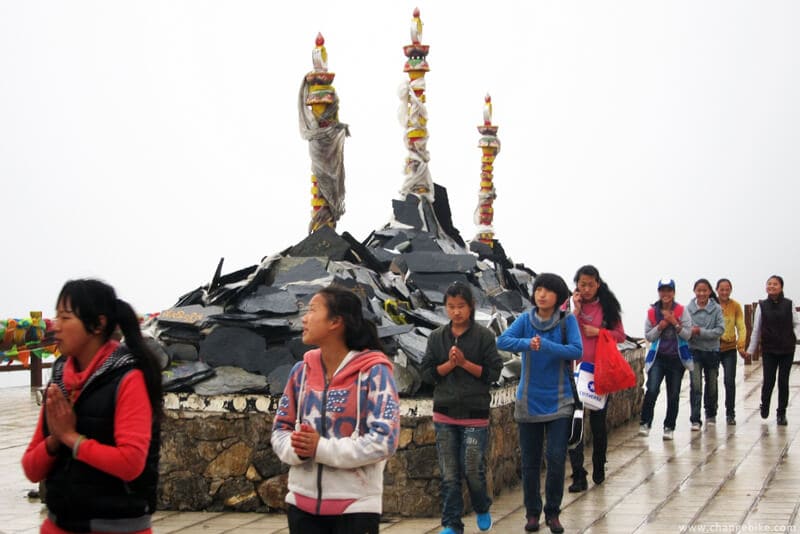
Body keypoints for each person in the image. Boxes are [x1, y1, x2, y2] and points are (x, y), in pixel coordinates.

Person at [21, 279, 163, 534]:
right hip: (59, 525)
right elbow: (31, 468)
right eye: (56, 316)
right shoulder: (60, 381)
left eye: (65, 317)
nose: (56, 326)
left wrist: (71, 438)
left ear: (98, 324)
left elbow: (131, 464)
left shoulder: (128, 378)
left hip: (118, 527)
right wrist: (55, 440)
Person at [271, 286, 400, 534]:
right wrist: (296, 449)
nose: (304, 318)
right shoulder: (301, 373)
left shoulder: (374, 373)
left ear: (335, 322)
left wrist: (320, 448)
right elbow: (280, 430)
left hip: (355, 509)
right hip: (301, 507)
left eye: (312, 310)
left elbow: (385, 441)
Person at [497, 273, 582, 534]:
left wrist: (546, 346)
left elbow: (577, 351)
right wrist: (527, 344)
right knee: (530, 462)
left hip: (560, 400)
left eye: (547, 290)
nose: (541, 294)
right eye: (538, 290)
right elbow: (502, 340)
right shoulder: (525, 320)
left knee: (556, 458)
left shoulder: (567, 321)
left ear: (559, 296)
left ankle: (553, 513)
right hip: (528, 400)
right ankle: (532, 513)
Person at [421, 282, 503, 534]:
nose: (456, 312)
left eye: (461, 307)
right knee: (449, 474)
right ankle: (451, 523)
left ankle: (481, 506)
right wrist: (448, 365)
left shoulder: (484, 336)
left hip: (474, 413)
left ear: (471, 307)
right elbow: (426, 373)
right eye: (451, 307)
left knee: (472, 470)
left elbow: (493, 373)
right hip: (444, 412)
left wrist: (465, 363)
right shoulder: (437, 337)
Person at [567, 265, 626, 493]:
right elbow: (561, 328)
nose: (587, 288)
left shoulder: (608, 308)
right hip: (575, 372)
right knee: (576, 425)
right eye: (583, 284)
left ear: (598, 284)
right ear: (576, 285)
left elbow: (620, 336)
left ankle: (599, 466)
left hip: (599, 373)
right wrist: (576, 310)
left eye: (591, 284)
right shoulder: (571, 306)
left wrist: (599, 332)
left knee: (598, 424)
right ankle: (578, 475)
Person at [639, 278, 693, 441]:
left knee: (674, 393)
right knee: (652, 389)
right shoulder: (652, 313)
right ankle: (645, 422)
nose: (666, 293)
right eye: (662, 290)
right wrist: (661, 326)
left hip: (676, 359)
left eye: (669, 290)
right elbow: (648, 336)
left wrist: (675, 323)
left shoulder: (682, 311)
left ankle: (669, 426)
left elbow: (688, 334)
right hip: (658, 358)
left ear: (674, 292)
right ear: (659, 292)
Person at [744, 275, 799, 426]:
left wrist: (795, 336)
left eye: (775, 284)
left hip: (787, 348)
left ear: (781, 287)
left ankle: (781, 412)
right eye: (769, 284)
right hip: (769, 349)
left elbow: (797, 323)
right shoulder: (762, 306)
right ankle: (765, 404)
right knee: (769, 380)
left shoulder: (789, 304)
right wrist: (750, 350)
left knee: (783, 381)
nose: (772, 286)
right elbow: (756, 329)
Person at [686, 279, 724, 431]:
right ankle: (695, 419)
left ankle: (711, 414)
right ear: (694, 291)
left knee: (712, 384)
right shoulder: (688, 309)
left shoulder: (716, 309)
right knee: (695, 385)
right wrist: (692, 332)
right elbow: (685, 329)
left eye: (704, 290)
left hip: (712, 352)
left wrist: (700, 331)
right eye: (698, 290)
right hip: (694, 351)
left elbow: (720, 330)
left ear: (709, 292)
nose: (701, 293)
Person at [716, 278, 747, 425]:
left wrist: (741, 345)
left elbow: (741, 326)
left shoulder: (735, 306)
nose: (724, 292)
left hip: (729, 349)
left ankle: (730, 413)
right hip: (713, 349)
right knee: (711, 381)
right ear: (717, 290)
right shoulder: (711, 305)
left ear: (730, 290)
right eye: (721, 289)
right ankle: (711, 410)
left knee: (729, 381)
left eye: (727, 289)